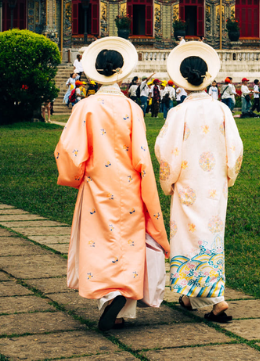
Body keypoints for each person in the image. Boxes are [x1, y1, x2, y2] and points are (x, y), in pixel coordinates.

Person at [55, 37, 170, 331]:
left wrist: (75, 176)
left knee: (98, 241)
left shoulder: (85, 107)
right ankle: (123, 305)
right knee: (129, 242)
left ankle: (108, 295)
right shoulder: (133, 108)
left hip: (96, 185)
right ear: (121, 71)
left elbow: (69, 150)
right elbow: (142, 153)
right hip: (130, 184)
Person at [155, 41, 243, 323]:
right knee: (211, 238)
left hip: (187, 186)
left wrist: (168, 181)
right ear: (208, 78)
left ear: (181, 80)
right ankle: (190, 295)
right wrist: (228, 175)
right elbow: (235, 148)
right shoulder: (222, 110)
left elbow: (166, 151)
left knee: (188, 239)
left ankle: (217, 300)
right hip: (214, 186)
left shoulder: (178, 112)